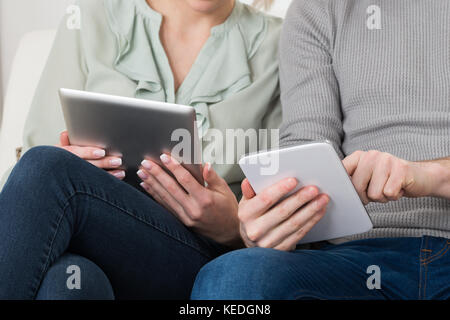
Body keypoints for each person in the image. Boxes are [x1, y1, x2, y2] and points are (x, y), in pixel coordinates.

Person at [0, 0, 313, 299]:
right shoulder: (91, 16)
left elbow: (290, 201)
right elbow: (25, 181)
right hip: (90, 244)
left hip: (194, 257)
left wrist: (233, 228)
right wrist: (75, 162)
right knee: (68, 281)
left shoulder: (282, 42)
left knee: (48, 169)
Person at [191, 0, 450, 300]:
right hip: (351, 259)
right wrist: (270, 219)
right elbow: (306, 148)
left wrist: (429, 175)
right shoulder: (316, 9)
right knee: (234, 277)